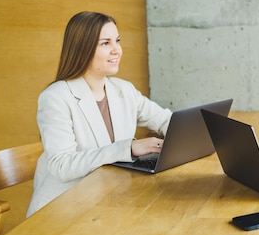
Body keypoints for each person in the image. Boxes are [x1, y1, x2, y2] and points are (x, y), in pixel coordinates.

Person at [27, 11, 172, 216]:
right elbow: (62, 165)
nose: (117, 50)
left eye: (117, 41)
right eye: (106, 43)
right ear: (82, 48)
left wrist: (186, 136)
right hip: (65, 208)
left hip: (110, 200)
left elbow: (166, 120)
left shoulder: (124, 90)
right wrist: (129, 148)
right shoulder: (55, 97)